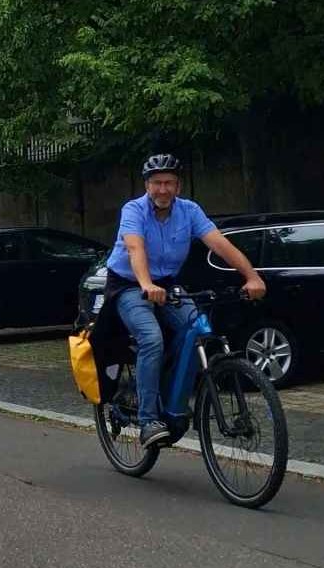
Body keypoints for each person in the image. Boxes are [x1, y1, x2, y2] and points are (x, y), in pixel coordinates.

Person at [106, 153, 266, 446]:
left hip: (168, 285)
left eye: (169, 183)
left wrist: (251, 276)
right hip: (130, 285)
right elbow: (134, 249)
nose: (163, 189)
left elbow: (219, 243)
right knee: (151, 338)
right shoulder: (134, 210)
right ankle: (147, 420)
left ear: (178, 186)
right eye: (157, 183)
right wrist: (145, 284)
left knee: (199, 331)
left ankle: (173, 398)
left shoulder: (190, 211)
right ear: (147, 185)